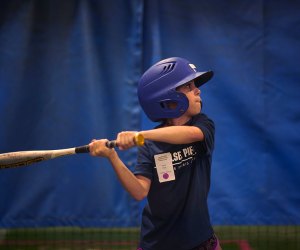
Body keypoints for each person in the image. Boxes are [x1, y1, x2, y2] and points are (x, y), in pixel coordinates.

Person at [89, 57, 221, 250]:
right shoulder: (150, 144)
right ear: (166, 96)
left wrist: (139, 135)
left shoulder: (202, 125)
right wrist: (112, 157)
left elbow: (191, 135)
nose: (197, 90)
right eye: (188, 86)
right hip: (157, 243)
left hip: (200, 241)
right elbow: (139, 191)